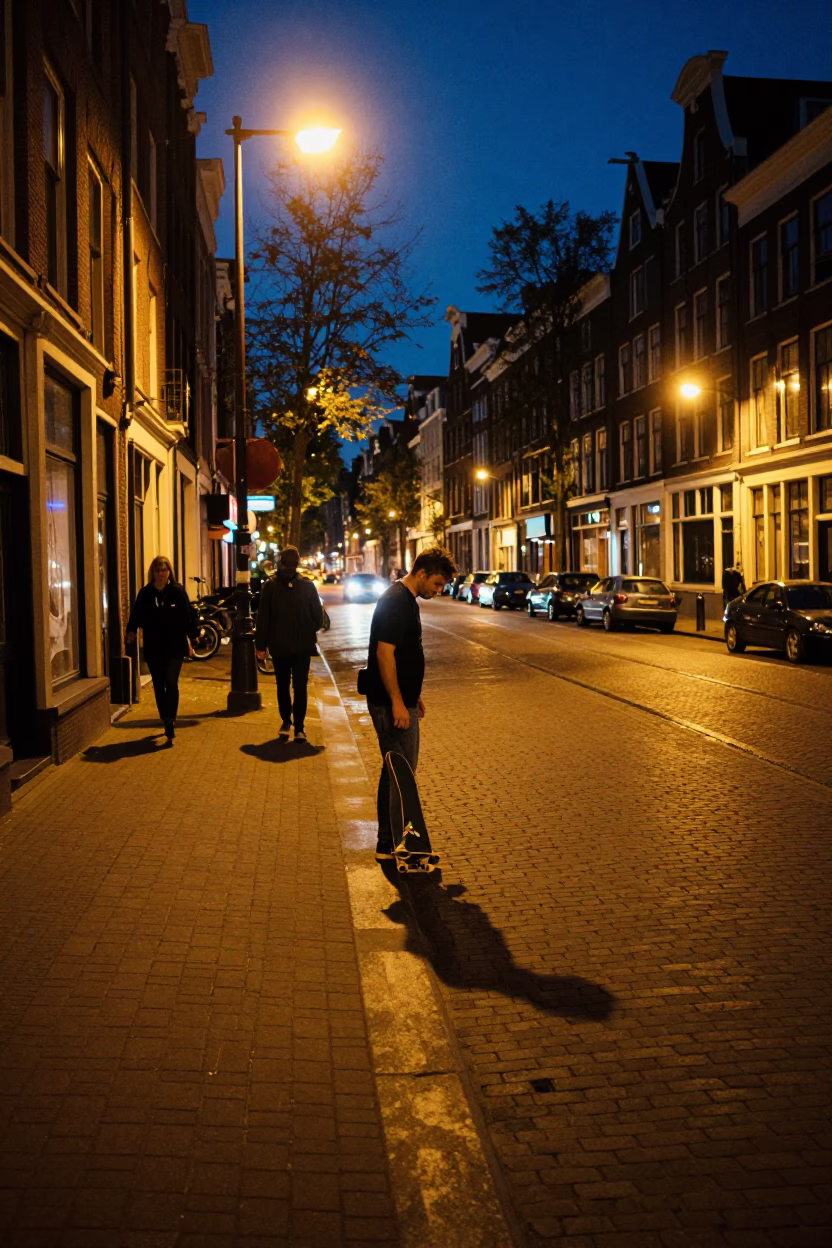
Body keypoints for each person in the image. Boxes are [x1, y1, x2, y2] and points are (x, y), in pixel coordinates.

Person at [363, 545, 457, 862]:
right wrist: (398, 702)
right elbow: (384, 653)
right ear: (421, 573)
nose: (438, 590)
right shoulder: (395, 602)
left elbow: (403, 654)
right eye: (437, 584)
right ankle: (405, 847)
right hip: (390, 705)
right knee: (402, 773)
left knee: (394, 772)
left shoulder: (405, 600)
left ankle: (388, 844)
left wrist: (411, 694)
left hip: (399, 700)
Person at [255, 545, 323, 741]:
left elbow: (263, 618)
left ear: (280, 562)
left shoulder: (270, 586)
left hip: (279, 645)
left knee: (282, 684)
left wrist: (261, 645)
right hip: (302, 645)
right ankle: (300, 728)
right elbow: (318, 619)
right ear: (298, 563)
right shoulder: (308, 587)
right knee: (300, 686)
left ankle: (286, 721)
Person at [125, 556, 197, 742]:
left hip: (175, 646)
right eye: (158, 570)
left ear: (169, 572)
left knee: (171, 682)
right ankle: (165, 719)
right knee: (158, 684)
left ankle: (170, 718)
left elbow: (188, 614)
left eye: (164, 570)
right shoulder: (146, 593)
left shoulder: (177, 591)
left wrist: (193, 635)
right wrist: (131, 631)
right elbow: (136, 615)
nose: (162, 574)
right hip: (154, 646)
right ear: (153, 573)